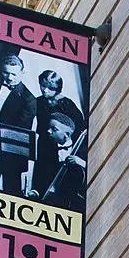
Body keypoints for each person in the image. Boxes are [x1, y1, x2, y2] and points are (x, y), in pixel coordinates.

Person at [0, 52, 37, 195]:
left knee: (11, 191)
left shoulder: (30, 100)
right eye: (5, 73)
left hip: (12, 154)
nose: (9, 78)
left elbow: (19, 131)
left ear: (22, 73)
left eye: (14, 74)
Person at [32, 68, 85, 200]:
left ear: (57, 88)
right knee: (42, 169)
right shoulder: (38, 102)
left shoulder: (67, 104)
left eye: (49, 88)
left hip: (58, 144)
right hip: (44, 142)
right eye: (43, 86)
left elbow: (79, 127)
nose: (45, 90)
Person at [38, 111, 87, 212]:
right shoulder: (46, 150)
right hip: (50, 200)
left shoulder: (82, 151)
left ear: (67, 134)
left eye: (54, 129)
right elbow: (41, 176)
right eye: (49, 128)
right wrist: (36, 191)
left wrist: (80, 162)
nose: (48, 131)